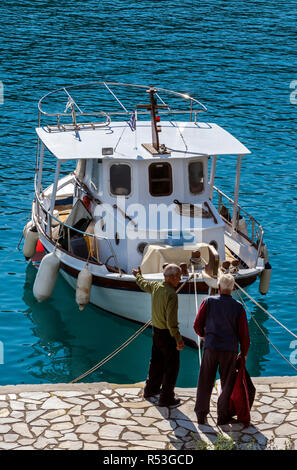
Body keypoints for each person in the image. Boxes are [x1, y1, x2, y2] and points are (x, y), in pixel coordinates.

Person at [193, 273, 250, 425]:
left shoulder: (208, 302)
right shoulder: (238, 307)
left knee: (205, 380)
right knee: (227, 384)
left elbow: (197, 324)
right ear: (232, 289)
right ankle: (222, 416)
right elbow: (244, 334)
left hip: (211, 347)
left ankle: (201, 414)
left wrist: (204, 336)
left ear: (218, 287)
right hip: (229, 350)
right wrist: (243, 353)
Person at [132, 264, 184, 408]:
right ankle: (166, 398)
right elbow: (171, 322)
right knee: (171, 367)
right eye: (179, 276)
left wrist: (137, 275)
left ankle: (151, 390)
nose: (180, 279)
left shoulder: (156, 287)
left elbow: (143, 284)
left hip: (156, 333)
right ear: (172, 277)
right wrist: (178, 339)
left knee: (156, 362)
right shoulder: (172, 295)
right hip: (168, 335)